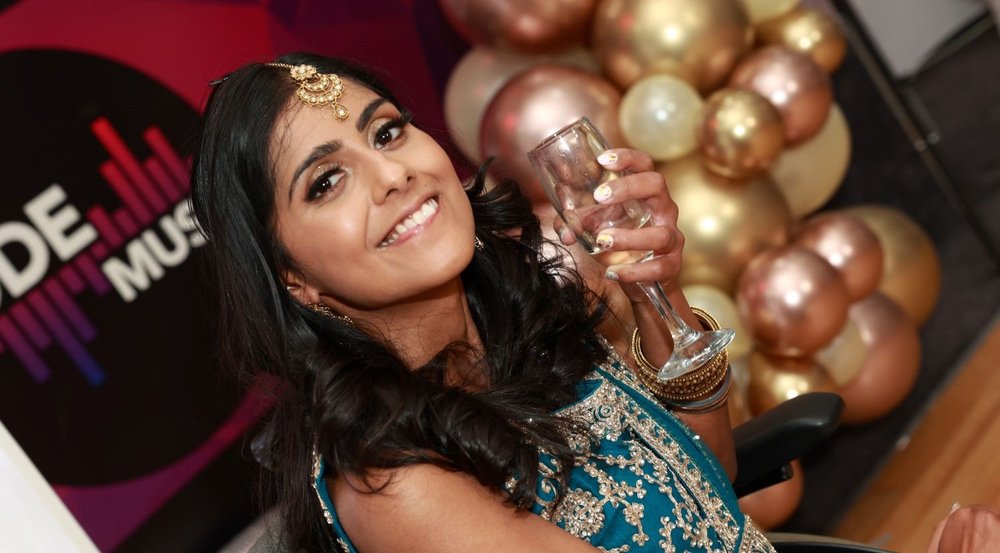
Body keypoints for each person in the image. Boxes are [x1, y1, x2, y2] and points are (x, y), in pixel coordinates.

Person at [190, 52, 998, 553]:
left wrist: (658, 296)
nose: (393, 173)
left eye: (389, 131)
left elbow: (702, 484)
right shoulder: (394, 486)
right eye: (328, 180)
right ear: (295, 279)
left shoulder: (513, 314)